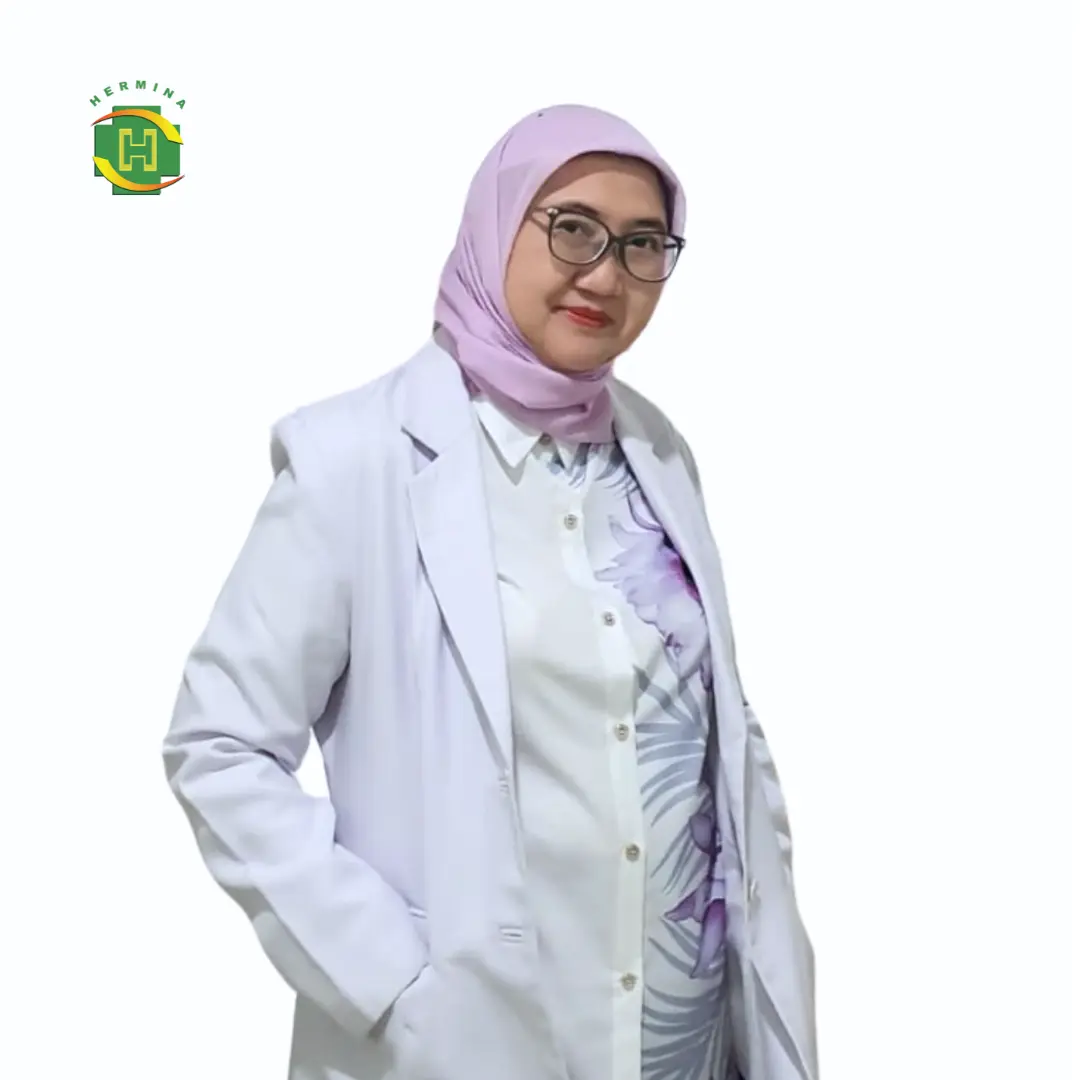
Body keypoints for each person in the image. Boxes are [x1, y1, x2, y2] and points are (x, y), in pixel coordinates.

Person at [162, 103, 817, 1080]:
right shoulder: (355, 459)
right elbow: (219, 744)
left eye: (644, 244)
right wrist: (385, 976)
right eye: (573, 228)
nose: (607, 274)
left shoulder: (659, 451)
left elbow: (715, 722)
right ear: (494, 225)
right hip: (473, 1038)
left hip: (685, 1037)